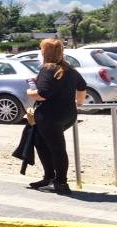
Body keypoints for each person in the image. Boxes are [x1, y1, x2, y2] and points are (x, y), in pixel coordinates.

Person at [26, 39, 87, 195]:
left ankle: (60, 183)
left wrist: (29, 92)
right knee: (40, 141)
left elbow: (42, 94)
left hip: (50, 116)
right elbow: (82, 88)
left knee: (57, 148)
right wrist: (77, 102)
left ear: (44, 52)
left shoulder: (47, 69)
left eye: (41, 49)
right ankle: (49, 177)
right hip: (68, 115)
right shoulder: (70, 69)